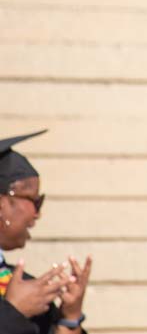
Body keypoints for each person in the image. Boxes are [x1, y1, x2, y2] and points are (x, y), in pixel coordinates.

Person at [0, 131, 92, 334]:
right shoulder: (20, 298)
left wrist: (70, 318)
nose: (37, 214)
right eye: (35, 201)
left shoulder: (20, 286)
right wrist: (13, 313)